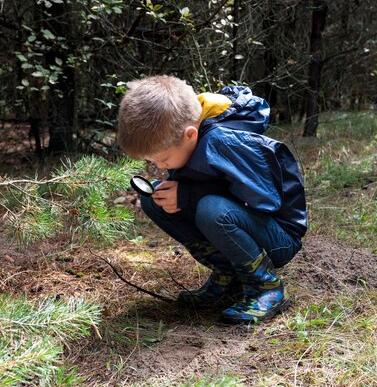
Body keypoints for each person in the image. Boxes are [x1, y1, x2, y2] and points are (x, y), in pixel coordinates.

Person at [116, 75, 307, 323]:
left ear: (189, 135)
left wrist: (188, 196)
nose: (161, 166)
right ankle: (228, 275)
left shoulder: (224, 142)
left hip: (279, 238)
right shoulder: (190, 141)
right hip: (243, 225)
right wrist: (178, 193)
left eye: (163, 160)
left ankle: (266, 288)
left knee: (211, 209)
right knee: (154, 199)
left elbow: (265, 201)